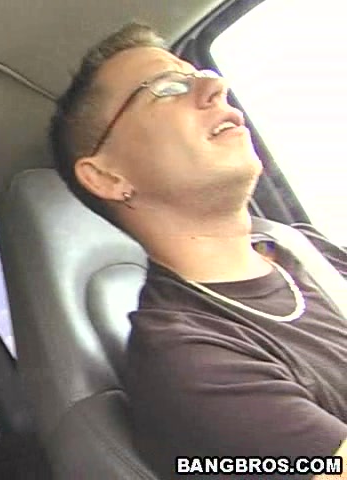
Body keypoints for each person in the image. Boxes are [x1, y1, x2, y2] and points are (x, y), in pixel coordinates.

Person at [49, 21, 347, 480]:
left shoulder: (307, 248)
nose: (216, 86)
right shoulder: (186, 361)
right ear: (107, 176)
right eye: (167, 88)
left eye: (200, 74)